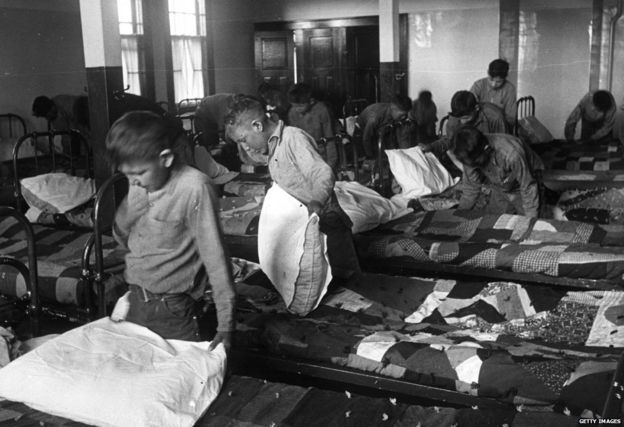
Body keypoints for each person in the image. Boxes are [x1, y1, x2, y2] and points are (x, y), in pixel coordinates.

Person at [106, 111, 236, 350]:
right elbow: (122, 241)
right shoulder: (140, 180)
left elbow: (216, 258)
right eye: (126, 175)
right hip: (135, 299)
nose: (133, 182)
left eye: (137, 174)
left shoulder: (194, 187)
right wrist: (125, 215)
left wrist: (225, 326)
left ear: (165, 158)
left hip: (174, 310)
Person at [225, 94, 361, 280]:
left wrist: (316, 201)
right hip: (306, 225)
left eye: (243, 140)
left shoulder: (293, 138)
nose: (245, 147)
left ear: (257, 126)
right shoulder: (273, 146)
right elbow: (255, 158)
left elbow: (322, 172)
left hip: (328, 223)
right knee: (321, 284)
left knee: (348, 279)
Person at [452, 126, 544, 218]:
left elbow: (528, 187)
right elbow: (470, 188)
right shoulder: (468, 153)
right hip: (500, 185)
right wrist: (459, 214)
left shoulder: (511, 154)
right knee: (491, 221)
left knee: (527, 222)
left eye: (476, 163)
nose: (471, 166)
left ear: (486, 149)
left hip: (527, 180)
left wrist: (530, 221)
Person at [424, 90, 508, 155]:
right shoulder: (454, 118)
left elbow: (504, 146)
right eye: (459, 118)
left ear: (477, 108)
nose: (462, 122)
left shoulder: (495, 117)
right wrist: (431, 147)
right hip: (465, 157)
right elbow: (450, 141)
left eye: (466, 118)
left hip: (490, 155)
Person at [287, 83, 338, 170]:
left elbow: (330, 138)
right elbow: (294, 139)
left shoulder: (322, 110)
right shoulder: (292, 113)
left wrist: (331, 164)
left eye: (300, 105)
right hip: (303, 154)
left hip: (321, 154)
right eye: (294, 105)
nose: (297, 109)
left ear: (311, 101)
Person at [355, 94, 413, 159]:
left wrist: (406, 154)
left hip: (381, 128)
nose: (404, 117)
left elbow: (402, 138)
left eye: (406, 114)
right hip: (362, 131)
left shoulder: (397, 115)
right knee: (375, 155)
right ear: (394, 109)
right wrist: (370, 157)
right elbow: (366, 138)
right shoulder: (375, 118)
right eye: (402, 115)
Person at [470, 59, 517, 128]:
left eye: (498, 82)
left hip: (500, 127)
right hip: (479, 126)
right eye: (491, 79)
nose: (493, 84)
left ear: (505, 78)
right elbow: (469, 109)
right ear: (487, 73)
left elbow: (511, 119)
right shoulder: (478, 85)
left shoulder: (510, 89)